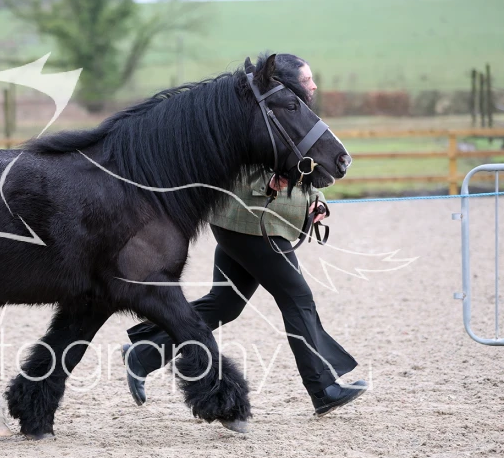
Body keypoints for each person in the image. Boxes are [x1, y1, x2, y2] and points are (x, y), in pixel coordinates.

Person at [121, 54, 367, 417]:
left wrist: (316, 199)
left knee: (225, 304)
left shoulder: (290, 113)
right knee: (297, 298)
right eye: (307, 79)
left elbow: (302, 160)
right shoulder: (254, 113)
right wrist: (267, 182)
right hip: (251, 224)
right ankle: (323, 388)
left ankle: (143, 354)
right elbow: (238, 164)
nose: (313, 85)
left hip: (250, 226)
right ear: (286, 83)